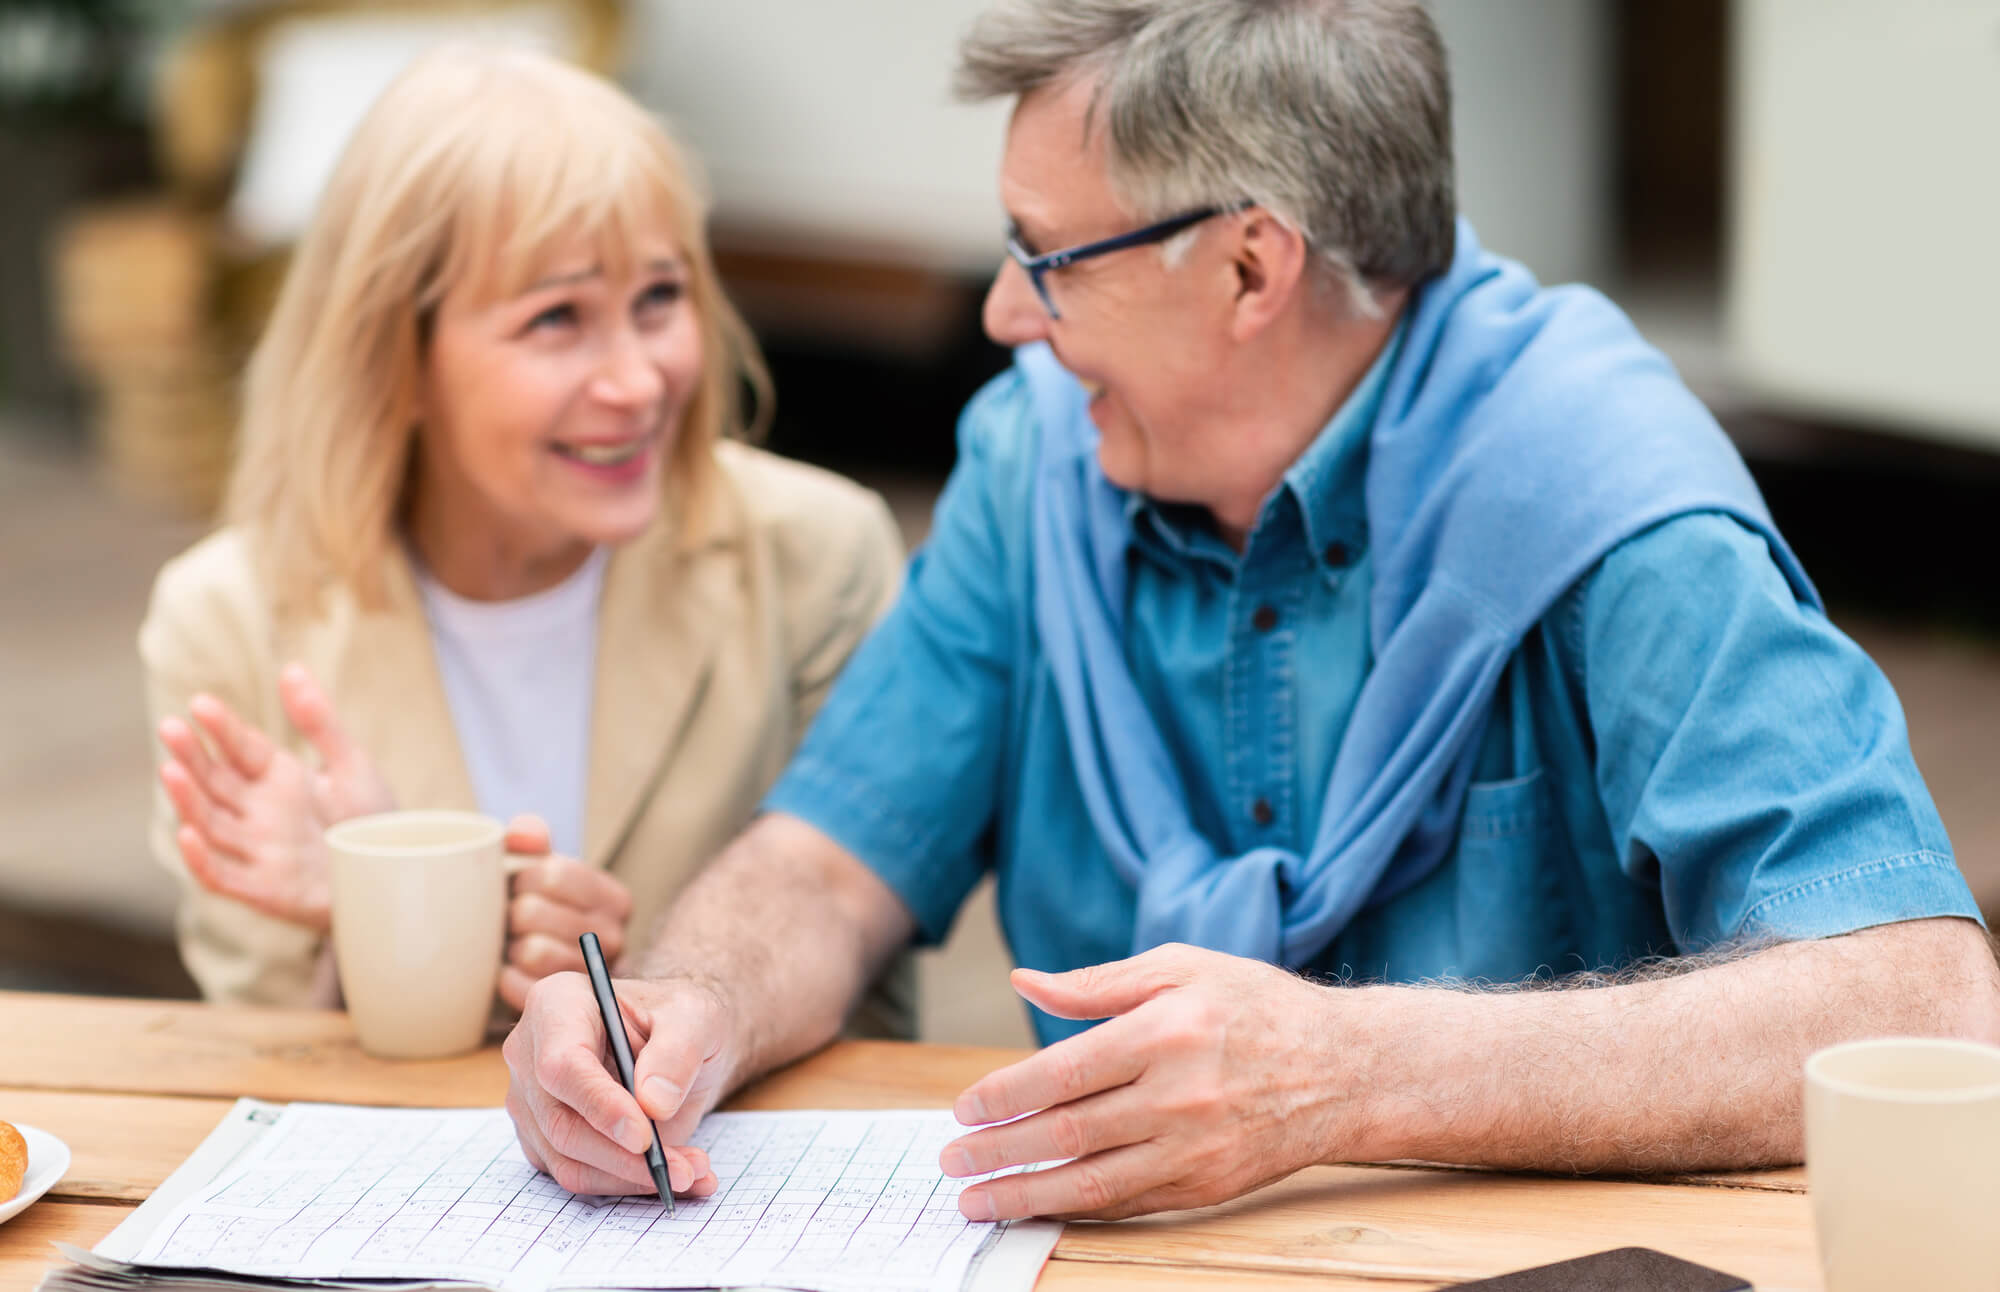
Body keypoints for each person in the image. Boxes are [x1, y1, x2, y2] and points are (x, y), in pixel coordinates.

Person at [503, 0, 2000, 1219]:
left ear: (1247, 265)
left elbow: (1921, 1007)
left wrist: (1344, 1073)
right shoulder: (1036, 459)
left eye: (1047, 258)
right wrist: (680, 1009)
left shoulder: (1612, 505)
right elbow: (830, 874)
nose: (1004, 314)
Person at [139, 44, 914, 1050]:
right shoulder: (226, 614)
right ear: (394, 358)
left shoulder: (817, 556)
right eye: (557, 318)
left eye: (659, 298)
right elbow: (262, 1081)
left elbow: (873, 992)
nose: (638, 381)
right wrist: (375, 913)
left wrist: (650, 988)